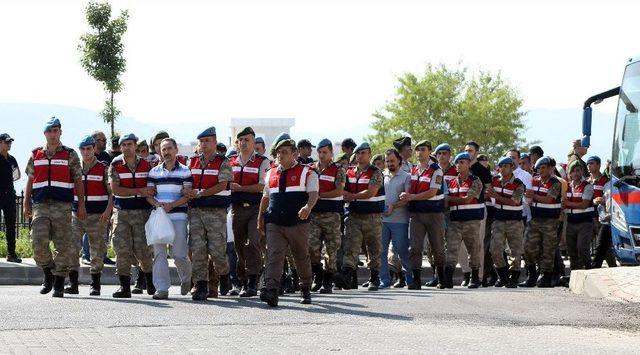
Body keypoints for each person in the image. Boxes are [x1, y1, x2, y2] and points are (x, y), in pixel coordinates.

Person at [23, 117, 86, 297]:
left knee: (63, 245)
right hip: (41, 205)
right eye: (49, 131)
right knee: (37, 242)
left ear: (60, 132)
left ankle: (59, 282)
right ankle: (48, 272)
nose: (52, 134)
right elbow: (30, 180)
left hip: (62, 206)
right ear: (45, 133)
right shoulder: (36, 155)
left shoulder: (69, 154)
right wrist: (26, 203)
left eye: (55, 130)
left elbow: (78, 181)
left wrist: (81, 205)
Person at [258, 138, 318, 307]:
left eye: (285, 152)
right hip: (275, 222)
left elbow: (314, 194)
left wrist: (308, 206)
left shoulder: (307, 172)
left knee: (301, 256)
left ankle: (305, 287)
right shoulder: (270, 173)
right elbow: (265, 197)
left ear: (295, 154)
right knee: (274, 255)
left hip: (298, 222)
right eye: (278, 152)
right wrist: (260, 217)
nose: (280, 155)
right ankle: (271, 290)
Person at [186, 127, 234, 301]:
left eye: (207, 141)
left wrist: (200, 193)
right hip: (196, 211)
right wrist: (188, 191)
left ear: (214, 142)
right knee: (198, 249)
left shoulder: (223, 162)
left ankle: (224, 274)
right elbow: (186, 182)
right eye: (201, 141)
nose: (204, 144)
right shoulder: (192, 162)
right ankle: (200, 285)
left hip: (216, 212)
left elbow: (222, 185)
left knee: (217, 251)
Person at [146, 138, 193, 300]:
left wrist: (172, 205)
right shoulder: (154, 172)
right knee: (159, 253)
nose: (166, 152)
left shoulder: (185, 171)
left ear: (176, 150)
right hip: (160, 217)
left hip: (179, 216)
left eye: (169, 149)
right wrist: (157, 204)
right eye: (163, 149)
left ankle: (187, 278)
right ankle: (162, 288)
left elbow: (187, 195)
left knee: (178, 254)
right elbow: (149, 195)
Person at [109, 133, 156, 298]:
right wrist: (139, 191)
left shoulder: (147, 165)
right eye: (124, 145)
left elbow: (152, 189)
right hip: (122, 213)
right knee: (122, 249)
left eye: (130, 144)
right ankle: (124, 287)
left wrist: (145, 194)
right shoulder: (115, 165)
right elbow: (116, 190)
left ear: (135, 146)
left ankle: (149, 281)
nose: (127, 148)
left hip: (142, 213)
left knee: (143, 250)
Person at [66, 136, 112, 296]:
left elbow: (111, 192)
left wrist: (108, 211)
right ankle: (73, 283)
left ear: (94, 149)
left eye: (89, 149)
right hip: (76, 215)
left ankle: (95, 284)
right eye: (83, 149)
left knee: (97, 250)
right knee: (72, 248)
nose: (86, 152)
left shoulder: (104, 168)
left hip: (97, 216)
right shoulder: (74, 168)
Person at [228, 127, 271, 297]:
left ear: (254, 142)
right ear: (237, 143)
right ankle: (243, 281)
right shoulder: (230, 161)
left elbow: (263, 186)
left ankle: (252, 281)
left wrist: (241, 188)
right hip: (237, 210)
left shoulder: (262, 161)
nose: (244, 143)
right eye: (241, 140)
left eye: (247, 139)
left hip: (255, 209)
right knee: (239, 247)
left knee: (253, 243)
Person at [336, 142, 385, 291]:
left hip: (372, 217)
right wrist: (348, 195)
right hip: (354, 216)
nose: (360, 156)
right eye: (357, 153)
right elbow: (341, 189)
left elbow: (371, 192)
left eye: (363, 153)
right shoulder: (349, 172)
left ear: (369, 154)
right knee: (351, 247)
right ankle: (346, 276)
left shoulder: (375, 172)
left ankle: (374, 278)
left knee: (374, 248)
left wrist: (352, 196)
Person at [401, 140, 446, 290]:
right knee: (415, 248)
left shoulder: (436, 170)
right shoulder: (414, 170)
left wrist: (411, 197)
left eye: (423, 149)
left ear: (429, 152)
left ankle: (441, 277)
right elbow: (411, 190)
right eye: (417, 149)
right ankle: (416, 280)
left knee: (437, 247)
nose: (419, 152)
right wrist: (406, 195)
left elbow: (432, 192)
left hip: (434, 214)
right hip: (417, 214)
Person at [442, 152, 485, 289]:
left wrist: (448, 199)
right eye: (457, 163)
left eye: (462, 162)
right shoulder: (451, 182)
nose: (459, 165)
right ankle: (447, 279)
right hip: (455, 221)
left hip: (471, 221)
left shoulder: (476, 181)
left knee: (473, 249)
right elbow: (446, 203)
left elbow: (467, 199)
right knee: (451, 249)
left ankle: (474, 277)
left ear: (468, 164)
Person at [308, 138, 345, 294]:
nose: (322, 155)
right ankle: (318, 275)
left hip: (332, 215)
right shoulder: (311, 169)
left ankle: (328, 281)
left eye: (325, 152)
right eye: (320, 152)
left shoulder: (338, 170)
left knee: (331, 249)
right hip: (314, 215)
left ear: (331, 153)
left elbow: (339, 191)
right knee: (312, 248)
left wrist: (318, 195)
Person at [521, 157, 562, 288]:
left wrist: (532, 195)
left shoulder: (555, 182)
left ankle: (546, 275)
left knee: (548, 249)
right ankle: (532, 274)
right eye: (539, 168)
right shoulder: (534, 181)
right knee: (528, 247)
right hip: (535, 219)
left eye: (544, 168)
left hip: (550, 221)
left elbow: (549, 199)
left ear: (551, 169)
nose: (541, 170)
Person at [486, 157, 525, 288]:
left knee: (515, 251)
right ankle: (502, 277)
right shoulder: (495, 181)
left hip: (514, 221)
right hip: (499, 220)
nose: (502, 169)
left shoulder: (519, 184)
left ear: (511, 167)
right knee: (495, 249)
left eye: (505, 166)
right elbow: (487, 193)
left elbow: (515, 201)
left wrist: (496, 196)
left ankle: (514, 278)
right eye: (500, 166)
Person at [457, 142, 492, 286]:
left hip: (477, 211)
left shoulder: (482, 170)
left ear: (476, 153)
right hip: (460, 211)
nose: (468, 152)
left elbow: (488, 191)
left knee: (477, 244)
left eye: (470, 150)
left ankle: (478, 275)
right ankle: (466, 273)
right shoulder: (459, 168)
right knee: (459, 244)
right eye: (465, 150)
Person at [379, 149, 412, 289]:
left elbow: (407, 199)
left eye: (392, 160)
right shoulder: (381, 176)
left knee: (402, 249)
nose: (389, 163)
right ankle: (384, 280)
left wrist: (394, 206)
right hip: (382, 221)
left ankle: (410, 277)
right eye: (387, 161)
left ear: (399, 160)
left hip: (400, 220)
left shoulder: (406, 176)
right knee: (381, 250)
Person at [563, 161, 594, 274]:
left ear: (582, 171)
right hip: (571, 223)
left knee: (582, 249)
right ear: (569, 174)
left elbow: (584, 204)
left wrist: (567, 203)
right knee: (572, 251)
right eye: (573, 171)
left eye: (578, 170)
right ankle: (574, 274)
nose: (576, 173)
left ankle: (589, 272)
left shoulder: (587, 186)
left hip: (585, 223)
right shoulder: (567, 187)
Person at [588, 156, 616, 268]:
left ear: (599, 165)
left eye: (592, 163)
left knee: (603, 245)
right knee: (585, 245)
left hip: (602, 217)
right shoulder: (586, 181)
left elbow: (609, 198)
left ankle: (612, 266)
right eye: (588, 163)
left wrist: (602, 201)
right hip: (589, 216)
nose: (589, 166)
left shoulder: (606, 181)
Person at [0, 133, 21, 263]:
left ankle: (11, 254)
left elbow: (17, 175)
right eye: (7, 142)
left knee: (11, 225)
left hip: (9, 195)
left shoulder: (11, 159)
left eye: (10, 142)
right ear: (0, 142)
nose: (9, 144)